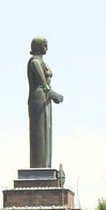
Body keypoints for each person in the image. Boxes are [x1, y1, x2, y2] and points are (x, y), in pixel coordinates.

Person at [27, 36, 63, 168]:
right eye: (44, 45)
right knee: (39, 132)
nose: (46, 48)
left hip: (44, 98)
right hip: (38, 98)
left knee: (47, 130)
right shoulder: (34, 62)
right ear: (37, 46)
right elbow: (44, 85)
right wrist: (55, 95)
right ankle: (39, 166)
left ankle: (46, 166)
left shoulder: (42, 62)